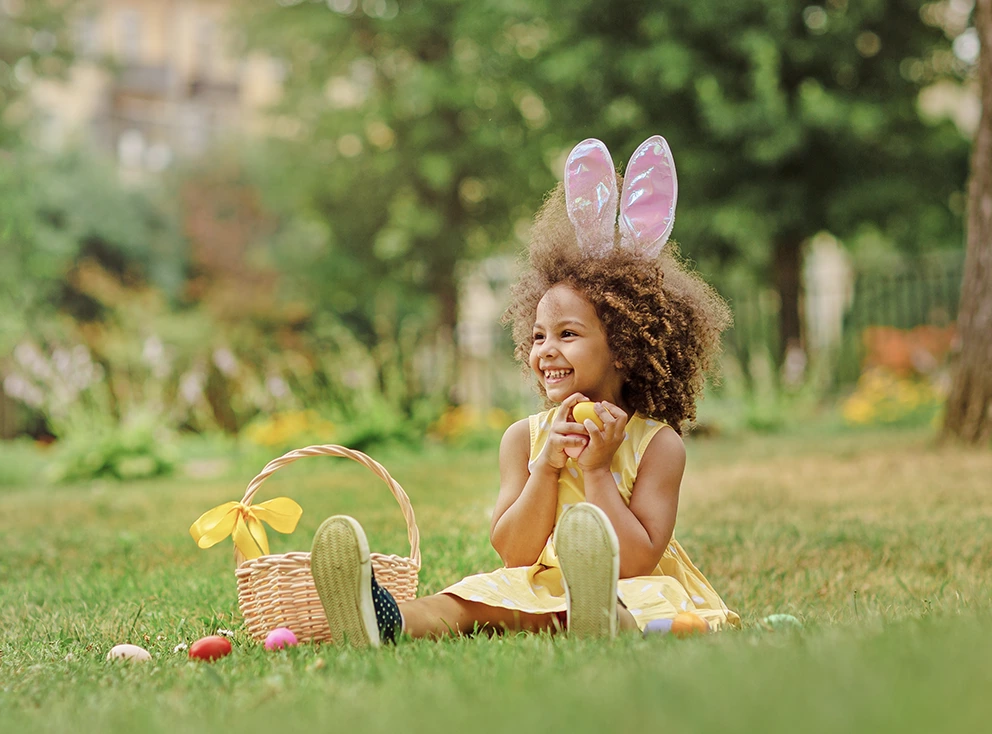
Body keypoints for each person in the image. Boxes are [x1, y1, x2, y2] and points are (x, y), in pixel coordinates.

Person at [309, 135, 740, 645]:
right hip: (545, 583)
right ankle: (386, 620)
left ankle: (605, 617)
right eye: (538, 336)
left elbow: (640, 558)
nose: (546, 350)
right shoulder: (524, 439)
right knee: (470, 598)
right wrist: (547, 468)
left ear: (623, 348)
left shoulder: (656, 444)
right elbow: (514, 551)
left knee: (635, 601)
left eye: (568, 334)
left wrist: (598, 470)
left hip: (633, 585)